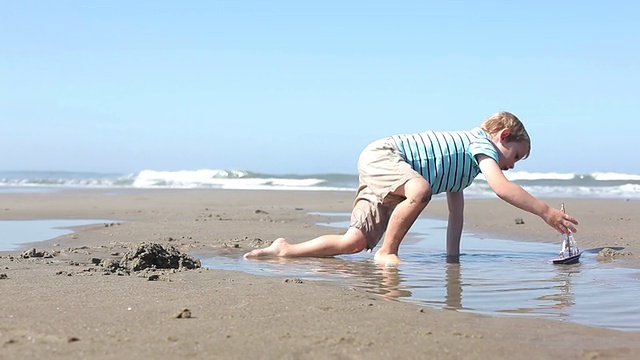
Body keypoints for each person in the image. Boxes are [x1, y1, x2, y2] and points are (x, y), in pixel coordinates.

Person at [244, 111, 579, 265]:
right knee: (420, 189)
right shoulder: (482, 145)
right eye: (516, 155)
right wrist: (546, 212)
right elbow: (503, 188)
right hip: (386, 156)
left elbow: (456, 216)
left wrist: (453, 259)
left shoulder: (464, 171)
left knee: (354, 242)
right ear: (503, 137)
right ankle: (388, 252)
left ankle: (285, 250)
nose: (513, 164)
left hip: (393, 176)